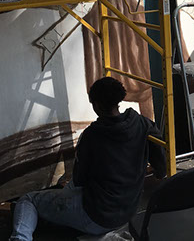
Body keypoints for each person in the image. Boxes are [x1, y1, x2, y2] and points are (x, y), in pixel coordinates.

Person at [9, 77, 166, 240]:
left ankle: (20, 238)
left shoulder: (92, 135)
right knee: (66, 194)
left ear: (96, 105)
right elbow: (160, 165)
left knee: (28, 200)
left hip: (96, 217)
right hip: (128, 212)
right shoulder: (142, 123)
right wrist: (158, 170)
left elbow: (79, 179)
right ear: (118, 100)